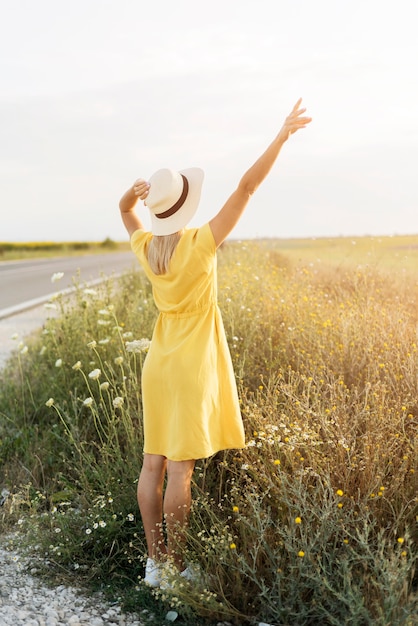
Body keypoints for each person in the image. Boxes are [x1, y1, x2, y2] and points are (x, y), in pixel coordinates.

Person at [119, 98, 312, 587]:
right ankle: (179, 569)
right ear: (184, 205)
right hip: (189, 364)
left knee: (152, 465)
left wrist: (132, 196)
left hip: (158, 364)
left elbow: (124, 209)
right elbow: (247, 187)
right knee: (180, 471)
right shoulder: (201, 242)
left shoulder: (147, 248)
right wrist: (281, 136)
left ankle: (154, 563)